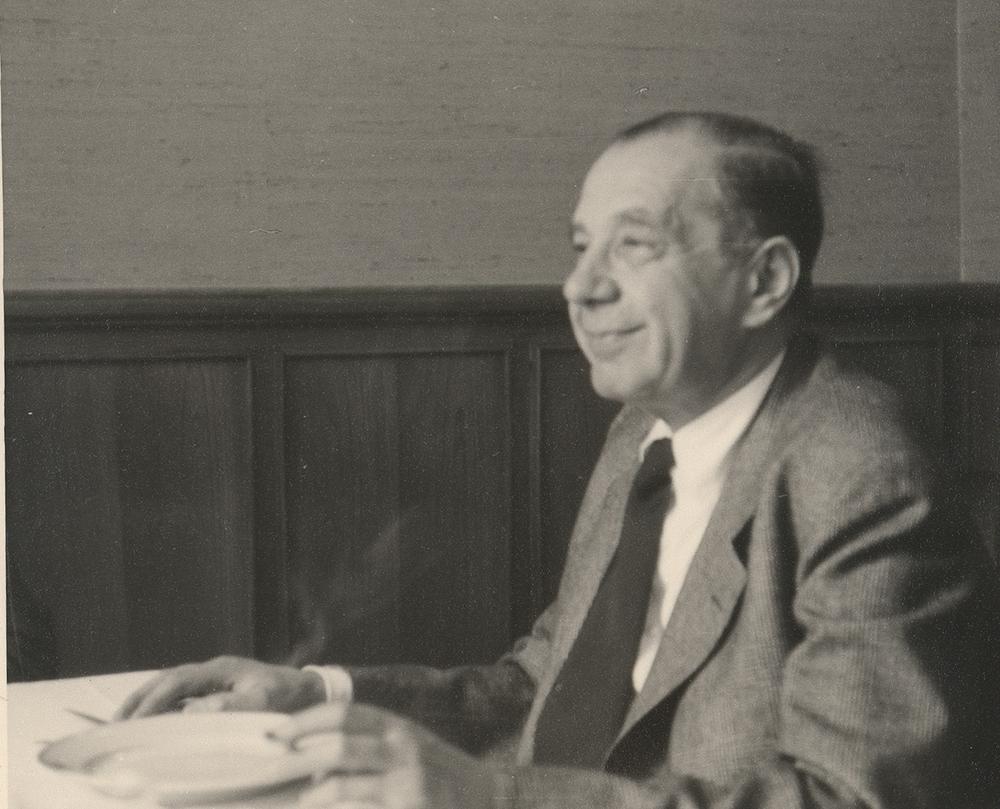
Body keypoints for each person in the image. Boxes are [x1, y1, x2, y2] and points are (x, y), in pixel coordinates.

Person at [116, 112, 1000, 809]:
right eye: (581, 247)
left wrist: (493, 798)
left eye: (634, 244)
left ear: (765, 281)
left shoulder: (862, 471)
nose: (580, 287)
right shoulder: (643, 434)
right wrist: (320, 695)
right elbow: (551, 682)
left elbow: (853, 799)